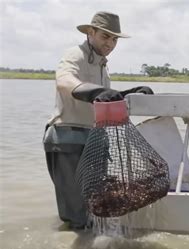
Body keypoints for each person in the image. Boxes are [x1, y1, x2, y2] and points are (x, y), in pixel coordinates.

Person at [42, 11, 153, 229]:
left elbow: (104, 96)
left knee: (93, 207)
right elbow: (64, 82)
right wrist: (94, 93)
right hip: (67, 137)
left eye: (114, 39)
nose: (110, 43)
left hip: (93, 140)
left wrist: (126, 93)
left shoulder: (102, 64)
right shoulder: (75, 54)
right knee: (76, 212)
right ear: (90, 32)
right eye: (105, 36)